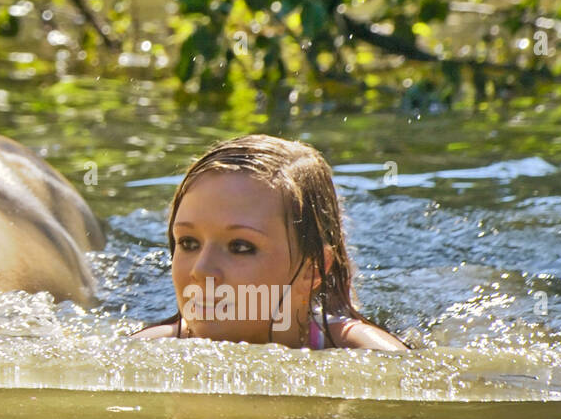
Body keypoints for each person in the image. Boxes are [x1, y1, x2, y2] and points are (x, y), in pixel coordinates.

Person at [133, 134, 408, 350]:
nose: (201, 270)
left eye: (240, 247)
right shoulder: (143, 354)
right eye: (189, 243)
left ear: (312, 270)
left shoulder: (366, 356)